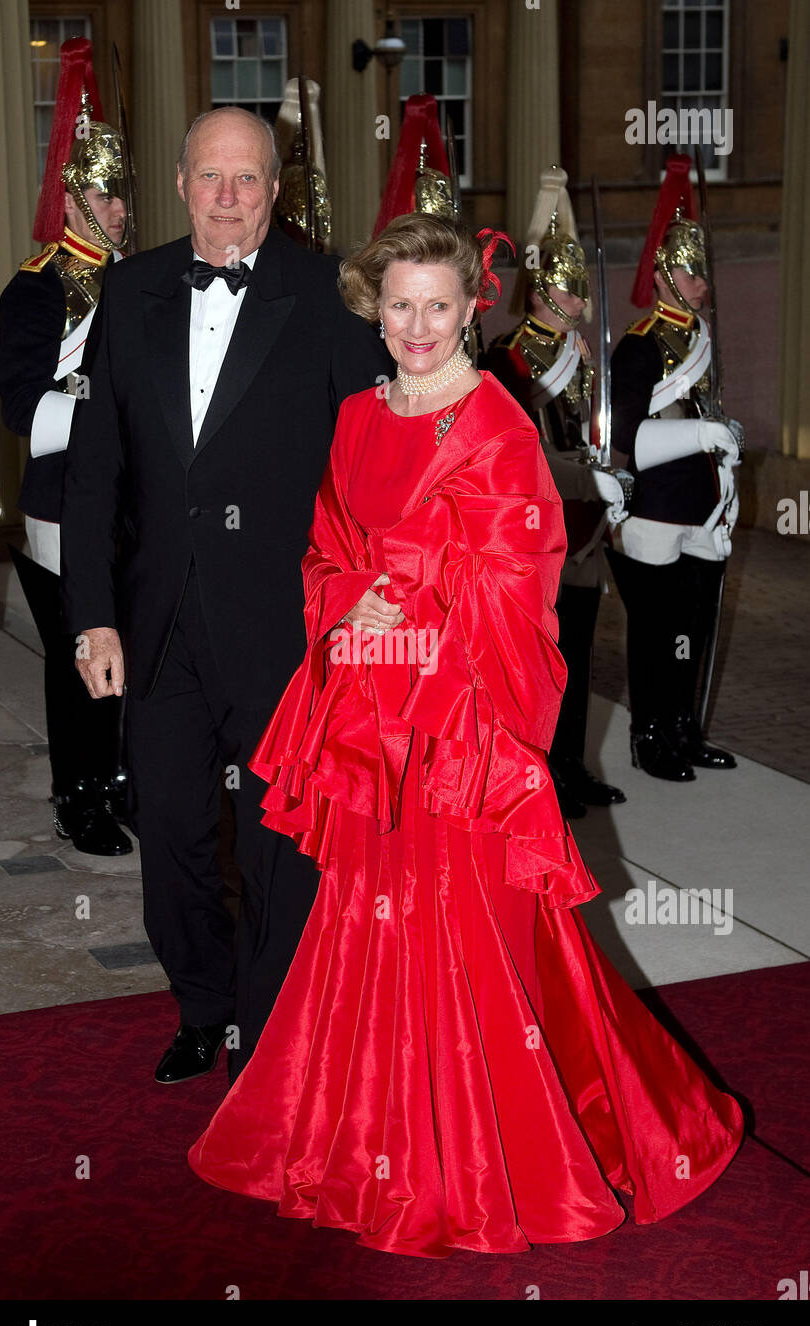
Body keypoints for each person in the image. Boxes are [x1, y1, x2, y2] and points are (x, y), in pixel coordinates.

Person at [188, 213, 744, 1257]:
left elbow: (520, 587)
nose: (416, 324)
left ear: (468, 308)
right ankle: (372, 1143)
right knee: (363, 930)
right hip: (369, 714)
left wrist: (419, 604)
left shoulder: (496, 423)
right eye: (399, 304)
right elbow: (321, 552)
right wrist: (353, 598)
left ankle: (490, 1159)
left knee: (472, 937)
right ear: (374, 305)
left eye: (437, 305)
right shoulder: (356, 415)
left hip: (456, 726)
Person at [60, 106, 392, 1085]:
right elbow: (94, 472)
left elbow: (374, 459)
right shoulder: (127, 293)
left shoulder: (329, 295)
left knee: (282, 840)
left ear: (276, 190)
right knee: (167, 833)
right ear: (178, 183)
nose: (228, 198)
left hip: (286, 628)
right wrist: (91, 613)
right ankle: (202, 1005)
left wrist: (375, 595)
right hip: (157, 626)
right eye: (211, 177)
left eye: (247, 179)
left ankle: (274, 1025)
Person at [0, 37, 131, 855]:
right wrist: (109, 417)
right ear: (69, 197)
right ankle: (78, 796)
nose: (116, 209)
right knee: (79, 659)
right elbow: (22, 406)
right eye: (101, 195)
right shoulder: (37, 286)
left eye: (121, 195)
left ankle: (126, 783)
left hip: (137, 504)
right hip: (60, 504)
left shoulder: (146, 279)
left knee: (138, 658)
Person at [485, 166, 626, 818]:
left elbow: (594, 432)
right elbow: (521, 455)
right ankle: (539, 770)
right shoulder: (509, 359)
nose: (583, 301)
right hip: (540, 527)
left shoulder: (581, 355)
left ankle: (570, 763)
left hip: (587, 523)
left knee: (579, 654)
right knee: (541, 663)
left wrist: (612, 476)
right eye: (573, 290)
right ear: (547, 290)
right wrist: (584, 478)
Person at [609, 155, 741, 780]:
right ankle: (650, 734)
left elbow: (707, 413)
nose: (703, 285)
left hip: (702, 506)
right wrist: (702, 432)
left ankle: (684, 728)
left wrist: (726, 471)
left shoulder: (700, 342)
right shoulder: (639, 345)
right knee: (657, 631)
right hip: (658, 505)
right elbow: (632, 438)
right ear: (666, 276)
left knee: (694, 628)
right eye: (693, 275)